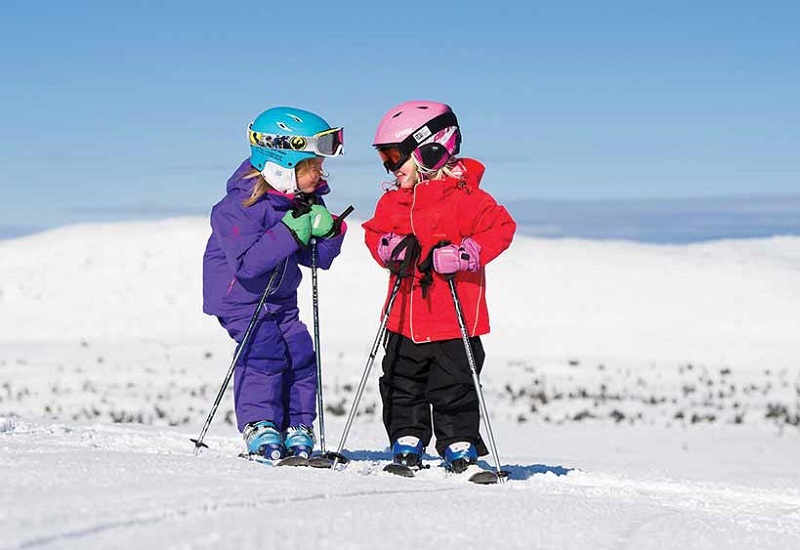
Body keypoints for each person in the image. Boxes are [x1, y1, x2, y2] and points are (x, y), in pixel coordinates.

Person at [362, 100, 517, 473]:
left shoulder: (469, 199)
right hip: (403, 317)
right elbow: (374, 232)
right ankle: (407, 438)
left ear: (431, 149)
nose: (390, 166)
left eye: (396, 155)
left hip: (455, 319)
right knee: (400, 379)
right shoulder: (393, 201)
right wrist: (385, 248)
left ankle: (458, 442)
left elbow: (501, 229)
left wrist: (467, 253)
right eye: (385, 156)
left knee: (455, 384)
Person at [202, 106, 346, 460]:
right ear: (281, 164)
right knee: (264, 348)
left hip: (280, 297)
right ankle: (260, 423)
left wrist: (330, 231)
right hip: (240, 298)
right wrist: (290, 232)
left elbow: (318, 260)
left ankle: (297, 425)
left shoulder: (303, 199)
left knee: (299, 349)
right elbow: (248, 264)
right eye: (311, 166)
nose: (320, 174)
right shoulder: (235, 207)